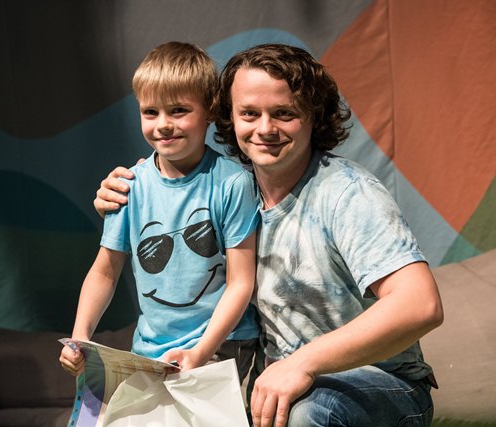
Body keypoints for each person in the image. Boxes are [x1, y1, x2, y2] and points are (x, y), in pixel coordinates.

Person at [94, 43, 444, 427]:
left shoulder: (348, 193)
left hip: (380, 384)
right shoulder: (231, 191)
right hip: (277, 387)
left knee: (308, 411)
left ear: (314, 116)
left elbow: (420, 305)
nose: (265, 129)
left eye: (284, 113)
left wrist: (303, 363)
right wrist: (125, 194)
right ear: (227, 117)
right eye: (249, 113)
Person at [59, 41, 260, 383]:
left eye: (178, 110)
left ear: (210, 110)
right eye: (151, 112)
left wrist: (200, 352)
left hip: (222, 346)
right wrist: (81, 337)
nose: (163, 124)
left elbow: (240, 282)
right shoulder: (128, 185)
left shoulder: (232, 183)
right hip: (149, 351)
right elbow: (105, 272)